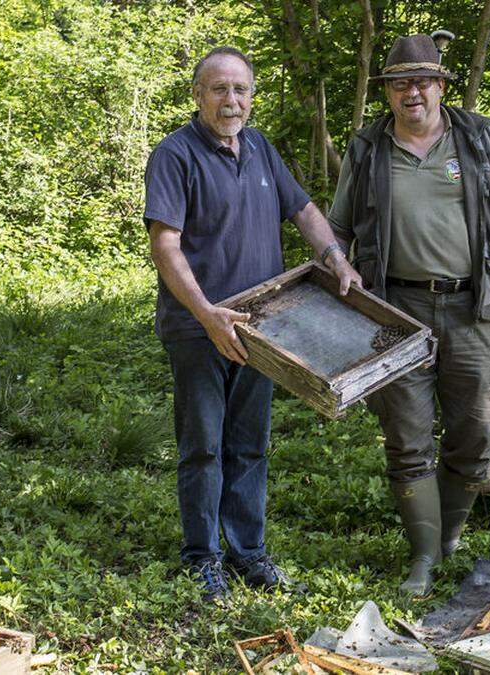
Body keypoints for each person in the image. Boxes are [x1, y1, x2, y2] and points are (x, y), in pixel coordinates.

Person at [328, 34, 490, 596]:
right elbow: (336, 228)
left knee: (475, 432)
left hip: (471, 307)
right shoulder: (367, 148)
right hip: (395, 312)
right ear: (387, 91)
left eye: (423, 80)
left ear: (442, 85)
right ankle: (424, 557)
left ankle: (449, 535)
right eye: (401, 82)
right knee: (407, 439)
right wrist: (335, 277)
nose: (413, 92)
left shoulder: (478, 140)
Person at [144, 46, 361, 603]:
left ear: (251, 96)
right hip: (200, 328)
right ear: (198, 95)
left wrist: (334, 255)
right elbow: (165, 246)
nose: (231, 100)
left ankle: (247, 554)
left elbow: (305, 210)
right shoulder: (174, 155)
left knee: (250, 445)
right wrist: (207, 314)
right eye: (218, 89)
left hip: (262, 326)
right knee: (203, 448)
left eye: (240, 90)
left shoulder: (261, 149)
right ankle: (202, 559)